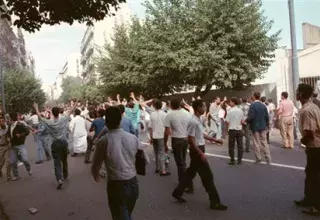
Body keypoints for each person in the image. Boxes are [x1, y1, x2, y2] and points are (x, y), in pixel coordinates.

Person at [172, 99, 227, 211]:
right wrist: (200, 153)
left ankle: (177, 192)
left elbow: (201, 135)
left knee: (190, 173)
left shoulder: (197, 120)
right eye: (203, 107)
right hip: (197, 151)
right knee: (208, 177)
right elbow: (191, 139)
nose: (205, 109)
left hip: (198, 149)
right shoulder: (193, 121)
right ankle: (215, 202)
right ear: (197, 108)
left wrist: (215, 140)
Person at [91, 106, 142, 220]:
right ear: (120, 120)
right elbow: (144, 160)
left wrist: (96, 175)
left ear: (106, 121)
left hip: (116, 184)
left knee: (119, 215)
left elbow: (96, 165)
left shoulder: (103, 141)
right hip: (133, 183)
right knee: (126, 213)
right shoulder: (133, 138)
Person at [34, 102, 74, 190]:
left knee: (57, 162)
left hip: (55, 144)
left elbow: (40, 117)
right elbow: (70, 111)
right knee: (64, 160)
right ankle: (65, 174)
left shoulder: (49, 122)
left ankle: (59, 179)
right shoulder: (63, 119)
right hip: (64, 143)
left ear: (52, 113)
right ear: (59, 112)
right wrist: (73, 105)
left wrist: (36, 108)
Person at [294, 84, 320, 216]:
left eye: (298, 92)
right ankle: (309, 199)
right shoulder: (313, 106)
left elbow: (309, 131)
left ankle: (316, 205)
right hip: (314, 146)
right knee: (310, 174)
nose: (296, 93)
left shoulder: (307, 110)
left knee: (314, 176)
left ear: (302, 94)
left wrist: (303, 141)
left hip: (315, 146)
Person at [164, 98, 191, 188]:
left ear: (171, 105)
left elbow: (167, 132)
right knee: (183, 161)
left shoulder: (169, 115)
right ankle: (186, 182)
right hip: (186, 138)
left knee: (180, 163)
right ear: (180, 105)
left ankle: (184, 183)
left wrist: (165, 143)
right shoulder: (187, 113)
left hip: (176, 139)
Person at [246, 92, 271, 164]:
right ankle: (268, 158)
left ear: (254, 97)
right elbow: (267, 116)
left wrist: (246, 121)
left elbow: (251, 116)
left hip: (255, 126)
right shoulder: (263, 105)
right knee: (264, 142)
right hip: (263, 126)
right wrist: (267, 125)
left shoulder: (253, 105)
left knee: (256, 143)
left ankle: (258, 158)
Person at [149, 99, 170, 176]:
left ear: (154, 106)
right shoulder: (164, 114)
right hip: (161, 135)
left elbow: (150, 128)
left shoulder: (152, 114)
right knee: (162, 152)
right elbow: (167, 127)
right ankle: (163, 170)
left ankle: (157, 168)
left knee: (156, 152)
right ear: (161, 106)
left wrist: (151, 138)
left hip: (154, 136)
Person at [8, 113, 32, 181]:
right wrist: (8, 138)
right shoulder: (10, 126)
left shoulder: (20, 125)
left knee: (25, 159)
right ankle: (16, 175)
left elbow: (27, 131)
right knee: (13, 161)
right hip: (13, 146)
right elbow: (8, 133)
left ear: (11, 119)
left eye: (9, 118)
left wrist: (21, 135)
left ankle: (29, 169)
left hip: (21, 145)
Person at [225, 97, 244, 165]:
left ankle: (232, 160)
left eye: (230, 102)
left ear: (233, 102)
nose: (229, 103)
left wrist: (227, 129)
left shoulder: (230, 111)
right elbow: (242, 121)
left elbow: (227, 121)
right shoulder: (240, 110)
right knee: (240, 145)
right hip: (239, 129)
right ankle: (239, 160)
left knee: (231, 146)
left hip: (232, 129)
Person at [0, 114, 11, 181]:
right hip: (0, 148)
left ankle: (8, 175)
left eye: (3, 121)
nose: (2, 122)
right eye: (1, 121)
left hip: (7, 146)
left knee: (8, 162)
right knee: (1, 163)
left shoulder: (7, 128)